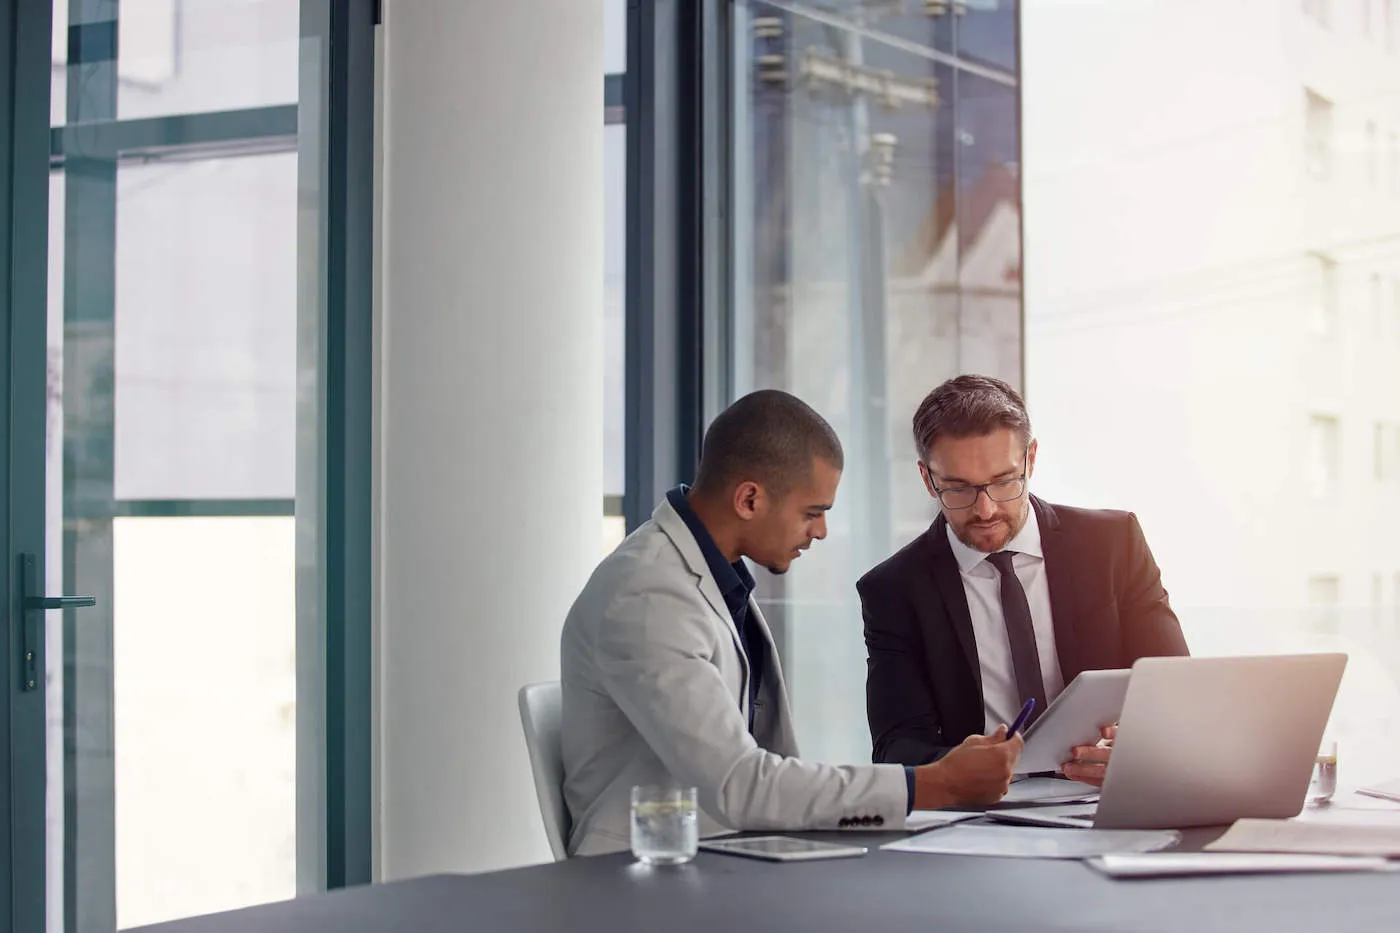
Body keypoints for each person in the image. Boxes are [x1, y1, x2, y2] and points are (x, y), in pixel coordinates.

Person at [561, 389, 1023, 856]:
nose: (820, 531)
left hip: (725, 857)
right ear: (749, 499)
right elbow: (739, 785)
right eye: (812, 513)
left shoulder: (711, 578)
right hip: (646, 878)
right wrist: (933, 784)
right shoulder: (648, 595)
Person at [859, 375, 1189, 787]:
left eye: (1003, 481)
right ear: (928, 479)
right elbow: (896, 747)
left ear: (1031, 460)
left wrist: (1139, 747)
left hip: (1110, 795)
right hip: (984, 812)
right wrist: (959, 766)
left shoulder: (1112, 543)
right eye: (958, 489)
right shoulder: (893, 590)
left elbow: (1179, 692)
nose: (985, 509)